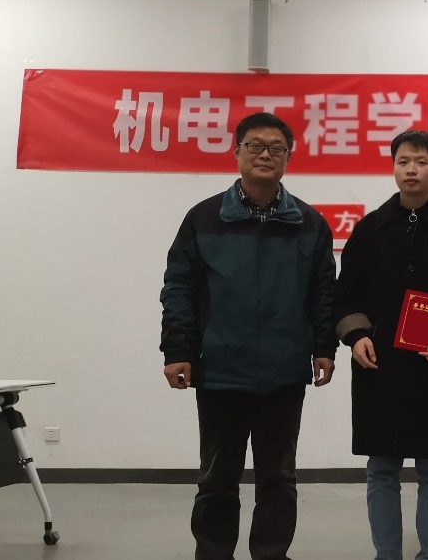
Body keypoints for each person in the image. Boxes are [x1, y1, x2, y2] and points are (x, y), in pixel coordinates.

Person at [159, 111, 337, 560]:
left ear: (288, 157)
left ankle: (271, 554)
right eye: (255, 145)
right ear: (236, 151)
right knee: (217, 478)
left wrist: (324, 346)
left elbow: (323, 293)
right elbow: (179, 287)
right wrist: (177, 349)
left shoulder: (309, 223)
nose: (265, 154)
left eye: (276, 148)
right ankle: (213, 553)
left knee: (279, 478)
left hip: (283, 371)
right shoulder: (204, 218)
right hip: (221, 369)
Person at [332, 130, 428, 560]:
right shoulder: (370, 229)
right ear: (393, 167)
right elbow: (346, 292)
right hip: (379, 366)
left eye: (421, 162)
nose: (411, 169)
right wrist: (357, 336)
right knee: (381, 469)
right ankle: (387, 555)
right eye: (403, 161)